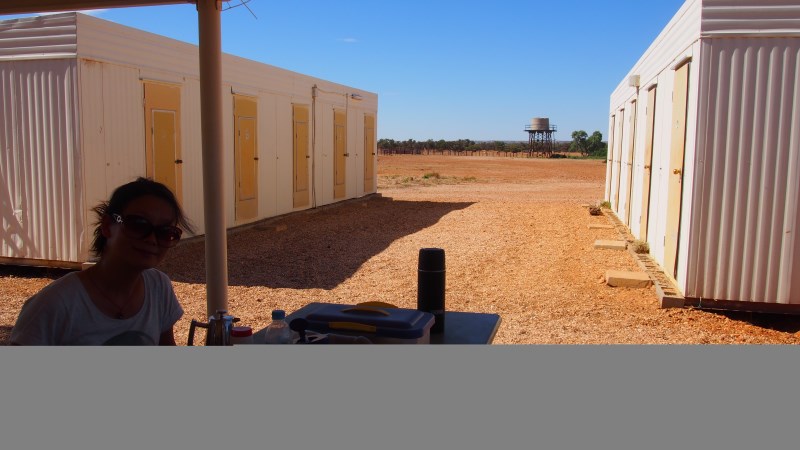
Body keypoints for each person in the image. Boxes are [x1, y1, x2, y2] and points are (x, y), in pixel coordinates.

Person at [10, 177, 194, 345]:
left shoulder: (158, 287)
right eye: (138, 225)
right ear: (107, 226)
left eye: (165, 232)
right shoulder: (54, 304)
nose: (152, 240)